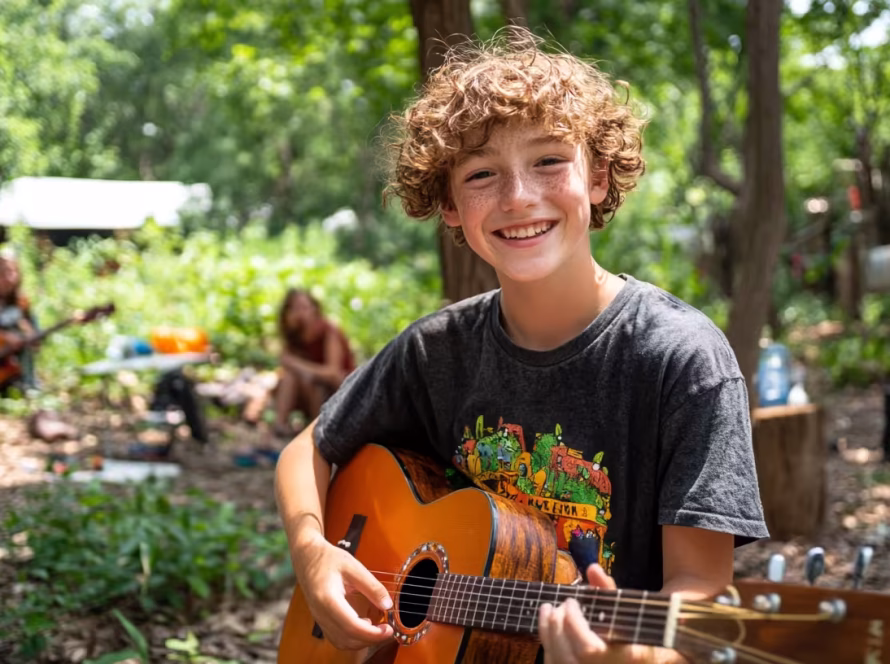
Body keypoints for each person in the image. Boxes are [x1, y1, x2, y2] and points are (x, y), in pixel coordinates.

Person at [275, 27, 767, 663]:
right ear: (449, 205)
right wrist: (315, 553)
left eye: (549, 161)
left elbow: (698, 594)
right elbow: (307, 449)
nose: (518, 197)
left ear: (598, 175)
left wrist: (634, 659)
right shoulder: (437, 351)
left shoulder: (680, 360)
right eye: (481, 173)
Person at [270, 288, 355, 439]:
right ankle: (279, 426)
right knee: (289, 377)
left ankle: (319, 433)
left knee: (313, 381)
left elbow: (333, 373)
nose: (300, 314)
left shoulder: (329, 332)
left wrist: (297, 364)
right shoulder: (294, 337)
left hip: (337, 392)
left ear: (315, 309)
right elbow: (286, 367)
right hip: (306, 391)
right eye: (294, 308)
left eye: (304, 307)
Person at [0, 249, 39, 394]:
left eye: (12, 272)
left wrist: (27, 334)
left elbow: (36, 341)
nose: (9, 278)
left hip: (12, 373)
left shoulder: (21, 303)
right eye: (3, 273)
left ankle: (29, 385)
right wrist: (5, 337)